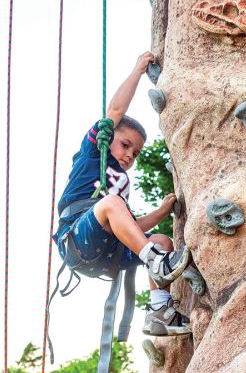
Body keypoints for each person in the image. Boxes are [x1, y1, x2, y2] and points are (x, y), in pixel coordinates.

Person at [53, 51, 192, 336]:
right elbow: (114, 113)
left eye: (136, 152)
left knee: (162, 240)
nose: (130, 155)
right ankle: (156, 262)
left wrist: (161, 212)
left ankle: (159, 312)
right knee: (114, 205)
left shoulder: (120, 184)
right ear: (110, 139)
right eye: (125, 145)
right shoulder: (94, 154)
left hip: (108, 253)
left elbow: (129, 229)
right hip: (77, 241)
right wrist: (138, 70)